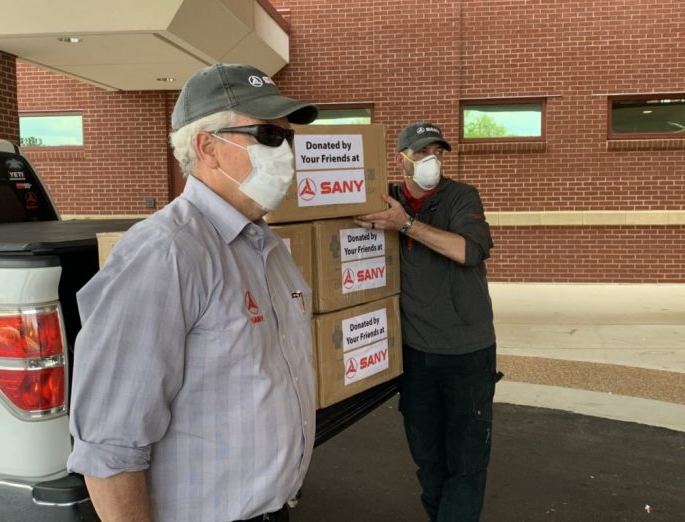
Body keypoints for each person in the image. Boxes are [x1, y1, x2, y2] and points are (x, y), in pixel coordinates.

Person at [67, 63, 319, 522]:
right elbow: (109, 450)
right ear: (208, 147)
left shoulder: (266, 245)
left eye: (289, 139)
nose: (287, 153)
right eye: (268, 136)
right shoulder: (165, 254)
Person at [354, 122, 502, 522]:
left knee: (466, 463)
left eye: (437, 152)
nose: (431, 161)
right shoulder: (384, 199)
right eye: (420, 153)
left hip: (466, 354)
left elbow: (470, 250)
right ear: (401, 159)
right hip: (416, 357)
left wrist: (404, 224)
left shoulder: (460, 196)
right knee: (429, 461)